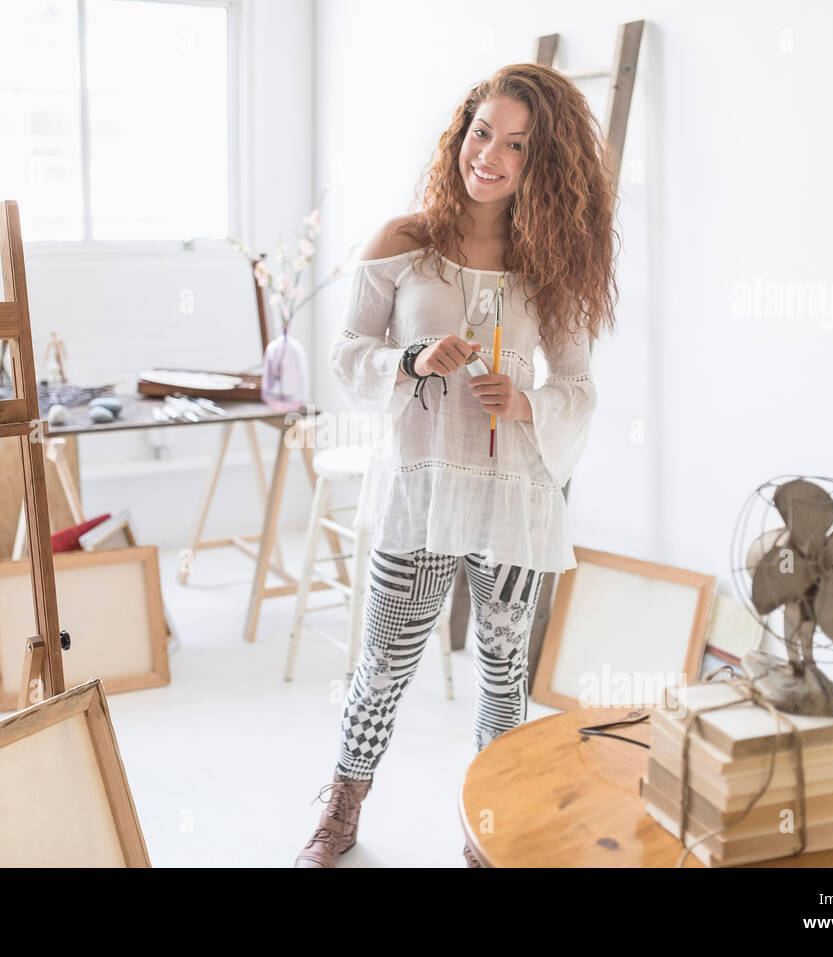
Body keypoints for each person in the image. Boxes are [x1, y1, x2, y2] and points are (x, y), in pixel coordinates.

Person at [294, 63, 619, 868]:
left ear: (543, 163)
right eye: (483, 133)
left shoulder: (554, 265)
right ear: (460, 134)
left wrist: (529, 402)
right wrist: (412, 358)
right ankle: (340, 811)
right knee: (382, 667)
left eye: (517, 145)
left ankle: (493, 826)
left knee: (504, 674)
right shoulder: (404, 245)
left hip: (514, 497)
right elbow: (345, 356)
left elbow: (578, 384)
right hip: (423, 492)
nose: (492, 156)